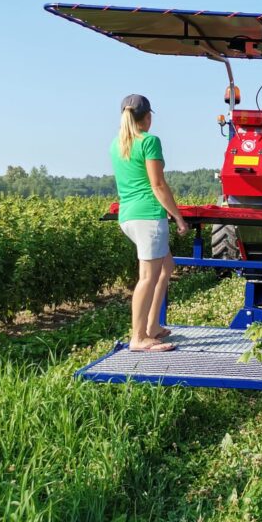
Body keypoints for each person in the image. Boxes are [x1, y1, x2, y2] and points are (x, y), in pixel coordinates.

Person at [110, 94, 189, 352]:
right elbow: (157, 184)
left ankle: (153, 326)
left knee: (166, 267)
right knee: (147, 277)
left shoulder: (117, 144)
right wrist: (177, 216)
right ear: (147, 117)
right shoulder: (150, 141)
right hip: (149, 216)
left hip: (128, 216)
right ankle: (139, 337)